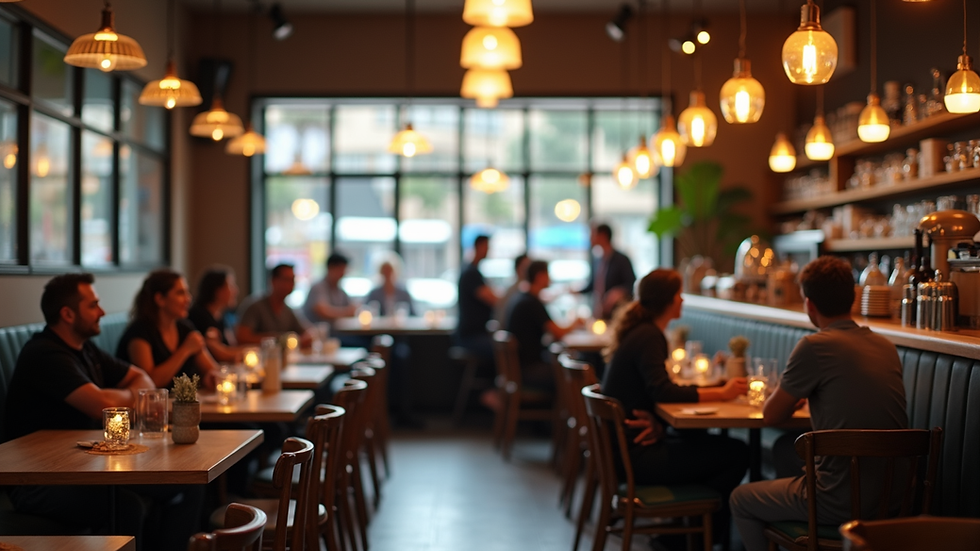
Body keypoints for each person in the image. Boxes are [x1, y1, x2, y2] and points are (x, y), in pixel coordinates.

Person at [3, 273, 202, 550]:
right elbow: (100, 405)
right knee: (126, 507)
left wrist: (116, 396)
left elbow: (143, 379)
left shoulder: (86, 350)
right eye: (93, 305)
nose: (102, 312)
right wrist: (122, 397)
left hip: (85, 466)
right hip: (38, 481)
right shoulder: (44, 354)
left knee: (186, 482)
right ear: (68, 314)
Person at [730, 256, 909, 551]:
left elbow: (771, 414)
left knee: (740, 499)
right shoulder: (885, 346)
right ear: (853, 298)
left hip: (840, 500)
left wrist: (799, 394)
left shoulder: (814, 346)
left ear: (809, 305)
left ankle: (807, 532)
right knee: (786, 449)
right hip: (894, 497)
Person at [601, 268, 749, 547]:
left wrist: (716, 389)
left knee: (701, 441)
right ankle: (692, 536)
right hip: (637, 459)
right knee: (737, 453)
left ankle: (688, 530)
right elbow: (662, 390)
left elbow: (656, 389)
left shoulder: (641, 331)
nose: (682, 301)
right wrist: (721, 392)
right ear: (667, 301)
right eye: (679, 295)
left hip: (626, 452)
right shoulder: (649, 336)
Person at [117, 269, 220, 389]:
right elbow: (149, 383)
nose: (188, 299)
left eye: (187, 293)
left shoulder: (185, 328)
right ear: (160, 299)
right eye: (181, 293)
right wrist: (185, 350)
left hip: (181, 404)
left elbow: (213, 371)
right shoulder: (139, 333)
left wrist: (210, 378)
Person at [505, 260, 581, 392]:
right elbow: (558, 333)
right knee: (574, 372)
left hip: (520, 367)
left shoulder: (523, 297)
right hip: (528, 369)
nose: (550, 278)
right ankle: (568, 411)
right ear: (540, 276)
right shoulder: (531, 302)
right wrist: (575, 322)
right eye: (548, 274)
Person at [237, 263, 312, 346]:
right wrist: (278, 340)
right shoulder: (255, 306)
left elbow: (307, 332)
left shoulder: (288, 310)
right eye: (286, 280)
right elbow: (242, 338)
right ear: (273, 281)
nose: (291, 284)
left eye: (292, 280)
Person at [455, 235, 498, 372]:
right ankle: (493, 392)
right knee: (503, 351)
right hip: (470, 337)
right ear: (478, 247)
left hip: (473, 335)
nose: (488, 250)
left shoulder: (472, 271)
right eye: (487, 247)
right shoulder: (471, 273)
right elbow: (493, 300)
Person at [580, 223, 636, 319]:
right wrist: (575, 290)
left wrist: (618, 292)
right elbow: (592, 285)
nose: (590, 238)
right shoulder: (597, 260)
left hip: (618, 313)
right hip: (600, 312)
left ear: (603, 236)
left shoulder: (622, 259)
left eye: (593, 234)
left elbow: (631, 284)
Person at [188, 265, 241, 363]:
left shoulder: (222, 317)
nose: (236, 291)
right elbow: (219, 354)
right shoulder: (199, 317)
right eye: (231, 286)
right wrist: (252, 351)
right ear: (218, 291)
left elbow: (232, 345)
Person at [303, 253, 358, 325]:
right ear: (330, 268)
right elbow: (323, 312)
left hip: (337, 332)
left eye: (344, 270)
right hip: (318, 333)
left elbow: (353, 308)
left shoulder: (340, 290)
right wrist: (347, 312)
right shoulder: (318, 287)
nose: (343, 273)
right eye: (340, 269)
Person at [495, 253, 529, 325]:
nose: (528, 271)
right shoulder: (515, 290)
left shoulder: (525, 289)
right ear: (517, 268)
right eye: (525, 267)